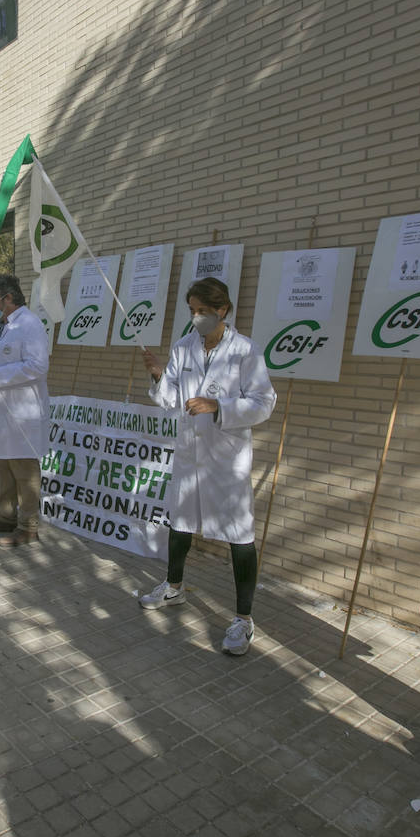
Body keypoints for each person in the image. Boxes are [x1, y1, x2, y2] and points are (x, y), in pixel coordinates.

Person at [138, 277, 277, 656]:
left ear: (223, 311)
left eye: (203, 311)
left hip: (225, 459)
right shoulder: (183, 347)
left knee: (239, 534)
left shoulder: (246, 351)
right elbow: (170, 399)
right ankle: (174, 587)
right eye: (192, 311)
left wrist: (220, 407)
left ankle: (243, 619)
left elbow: (264, 403)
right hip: (189, 452)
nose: (197, 317)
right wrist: (157, 375)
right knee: (180, 522)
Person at [0, 274, 50, 549]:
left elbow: (38, 365)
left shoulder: (29, 325)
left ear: (8, 298)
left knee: (24, 471)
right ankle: (6, 517)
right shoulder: (4, 325)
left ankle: (29, 528)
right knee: (5, 467)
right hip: (4, 411)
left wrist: (0, 375)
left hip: (23, 413)